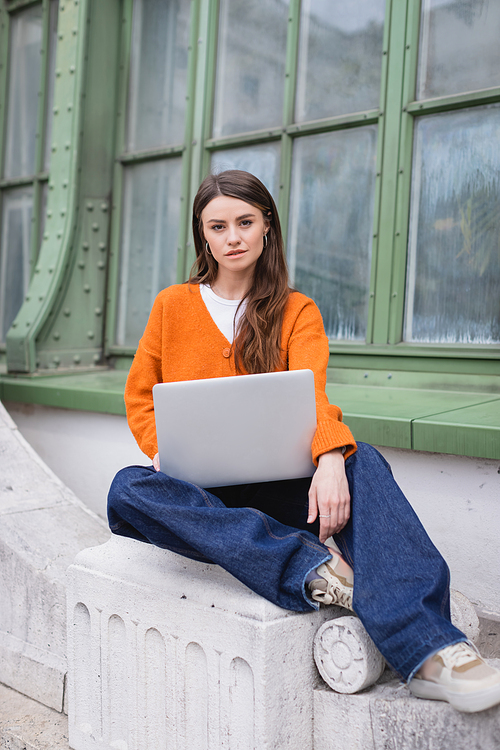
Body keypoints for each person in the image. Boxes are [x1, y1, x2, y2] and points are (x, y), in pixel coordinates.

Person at [108, 169, 500, 714]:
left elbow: (315, 397)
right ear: (204, 236)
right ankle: (314, 569)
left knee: (366, 463)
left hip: (290, 492)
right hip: (204, 499)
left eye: (245, 222)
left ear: (266, 225)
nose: (233, 237)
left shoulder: (296, 310)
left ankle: (434, 653)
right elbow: (141, 397)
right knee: (127, 489)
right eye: (217, 226)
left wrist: (333, 458)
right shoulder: (172, 306)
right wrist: (162, 450)